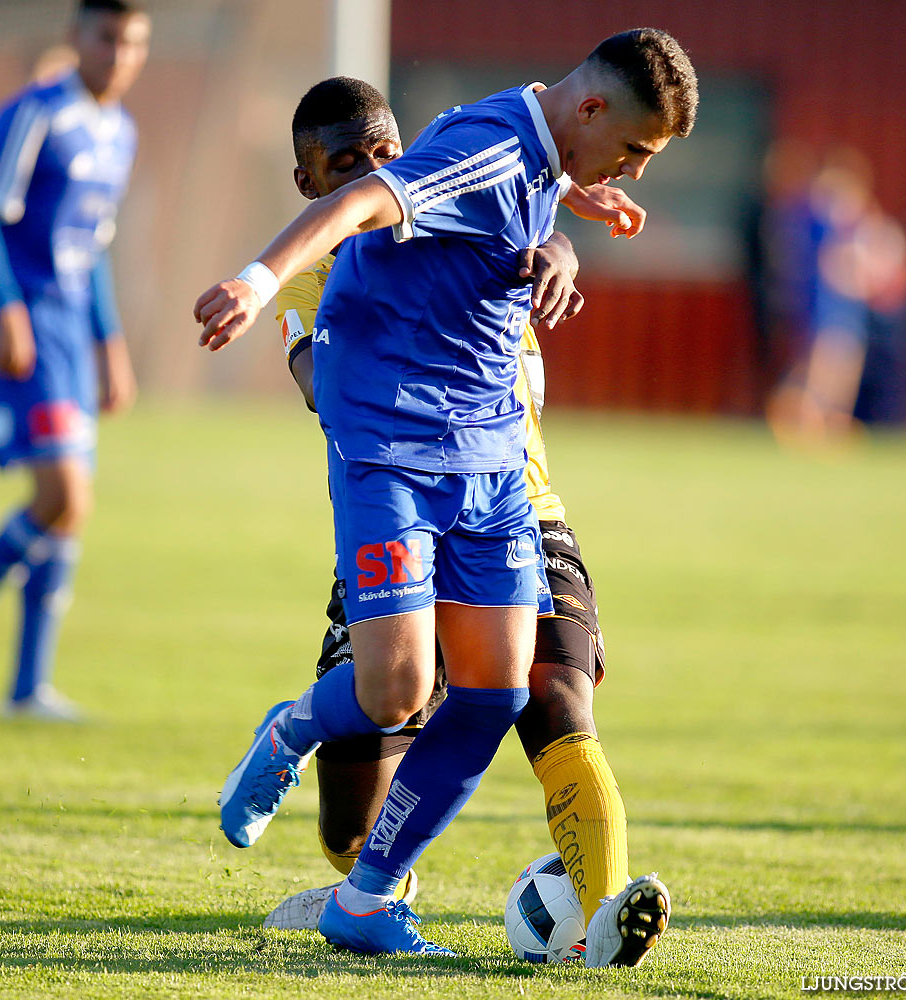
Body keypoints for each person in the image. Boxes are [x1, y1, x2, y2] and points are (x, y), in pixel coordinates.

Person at [194, 29, 698, 959]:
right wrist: (260, 280)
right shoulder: (452, 172)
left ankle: (370, 903)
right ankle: (297, 732)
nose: (634, 169)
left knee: (503, 693)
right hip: (392, 458)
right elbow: (371, 214)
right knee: (392, 696)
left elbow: (507, 176)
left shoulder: (520, 149)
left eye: (386, 152)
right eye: (632, 150)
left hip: (499, 469)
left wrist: (567, 221)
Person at [0, 0, 150, 721]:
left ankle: (28, 688)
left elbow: (95, 248)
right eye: (107, 38)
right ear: (77, 38)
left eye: (132, 42)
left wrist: (110, 345)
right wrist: (7, 309)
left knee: (68, 514)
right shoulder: (36, 113)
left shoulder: (121, 131)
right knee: (62, 498)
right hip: (26, 331)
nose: (119, 54)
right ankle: (26, 684)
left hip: (71, 340)